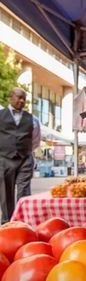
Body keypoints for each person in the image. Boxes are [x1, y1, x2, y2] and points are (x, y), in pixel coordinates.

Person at [0, 87, 41, 224]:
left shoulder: (32, 119)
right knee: (6, 191)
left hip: (25, 158)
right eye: (19, 97)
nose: (22, 101)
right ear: (11, 97)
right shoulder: (1, 115)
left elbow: (35, 140)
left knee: (24, 190)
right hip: (4, 158)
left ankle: (23, 221)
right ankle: (7, 222)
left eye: (24, 98)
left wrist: (25, 150)